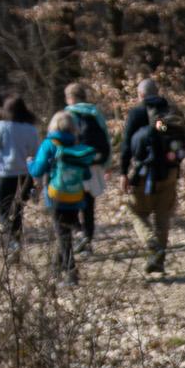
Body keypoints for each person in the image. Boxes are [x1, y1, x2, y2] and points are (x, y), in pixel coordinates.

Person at [118, 79, 185, 275]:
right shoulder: (172, 111)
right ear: (157, 92)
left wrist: (123, 172)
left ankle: (151, 242)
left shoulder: (137, 112)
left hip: (144, 173)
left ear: (140, 95)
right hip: (170, 172)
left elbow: (126, 145)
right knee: (162, 216)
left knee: (136, 211)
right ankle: (158, 261)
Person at [28, 110, 98, 283]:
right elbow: (87, 175)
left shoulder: (49, 144)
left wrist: (29, 162)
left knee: (63, 235)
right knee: (64, 231)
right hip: (75, 196)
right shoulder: (76, 146)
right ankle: (56, 267)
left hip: (56, 196)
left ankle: (71, 272)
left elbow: (37, 170)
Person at [0, 94, 41, 248]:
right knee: (18, 210)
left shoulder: (2, 126)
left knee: (2, 210)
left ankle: (14, 240)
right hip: (25, 176)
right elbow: (37, 155)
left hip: (6, 175)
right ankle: (16, 241)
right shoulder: (31, 129)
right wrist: (39, 181)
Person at [64, 82, 113, 252]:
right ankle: (88, 241)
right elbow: (106, 139)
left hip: (75, 165)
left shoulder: (67, 114)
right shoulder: (95, 113)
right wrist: (107, 163)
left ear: (70, 98)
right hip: (94, 164)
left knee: (69, 204)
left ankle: (78, 232)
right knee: (89, 205)